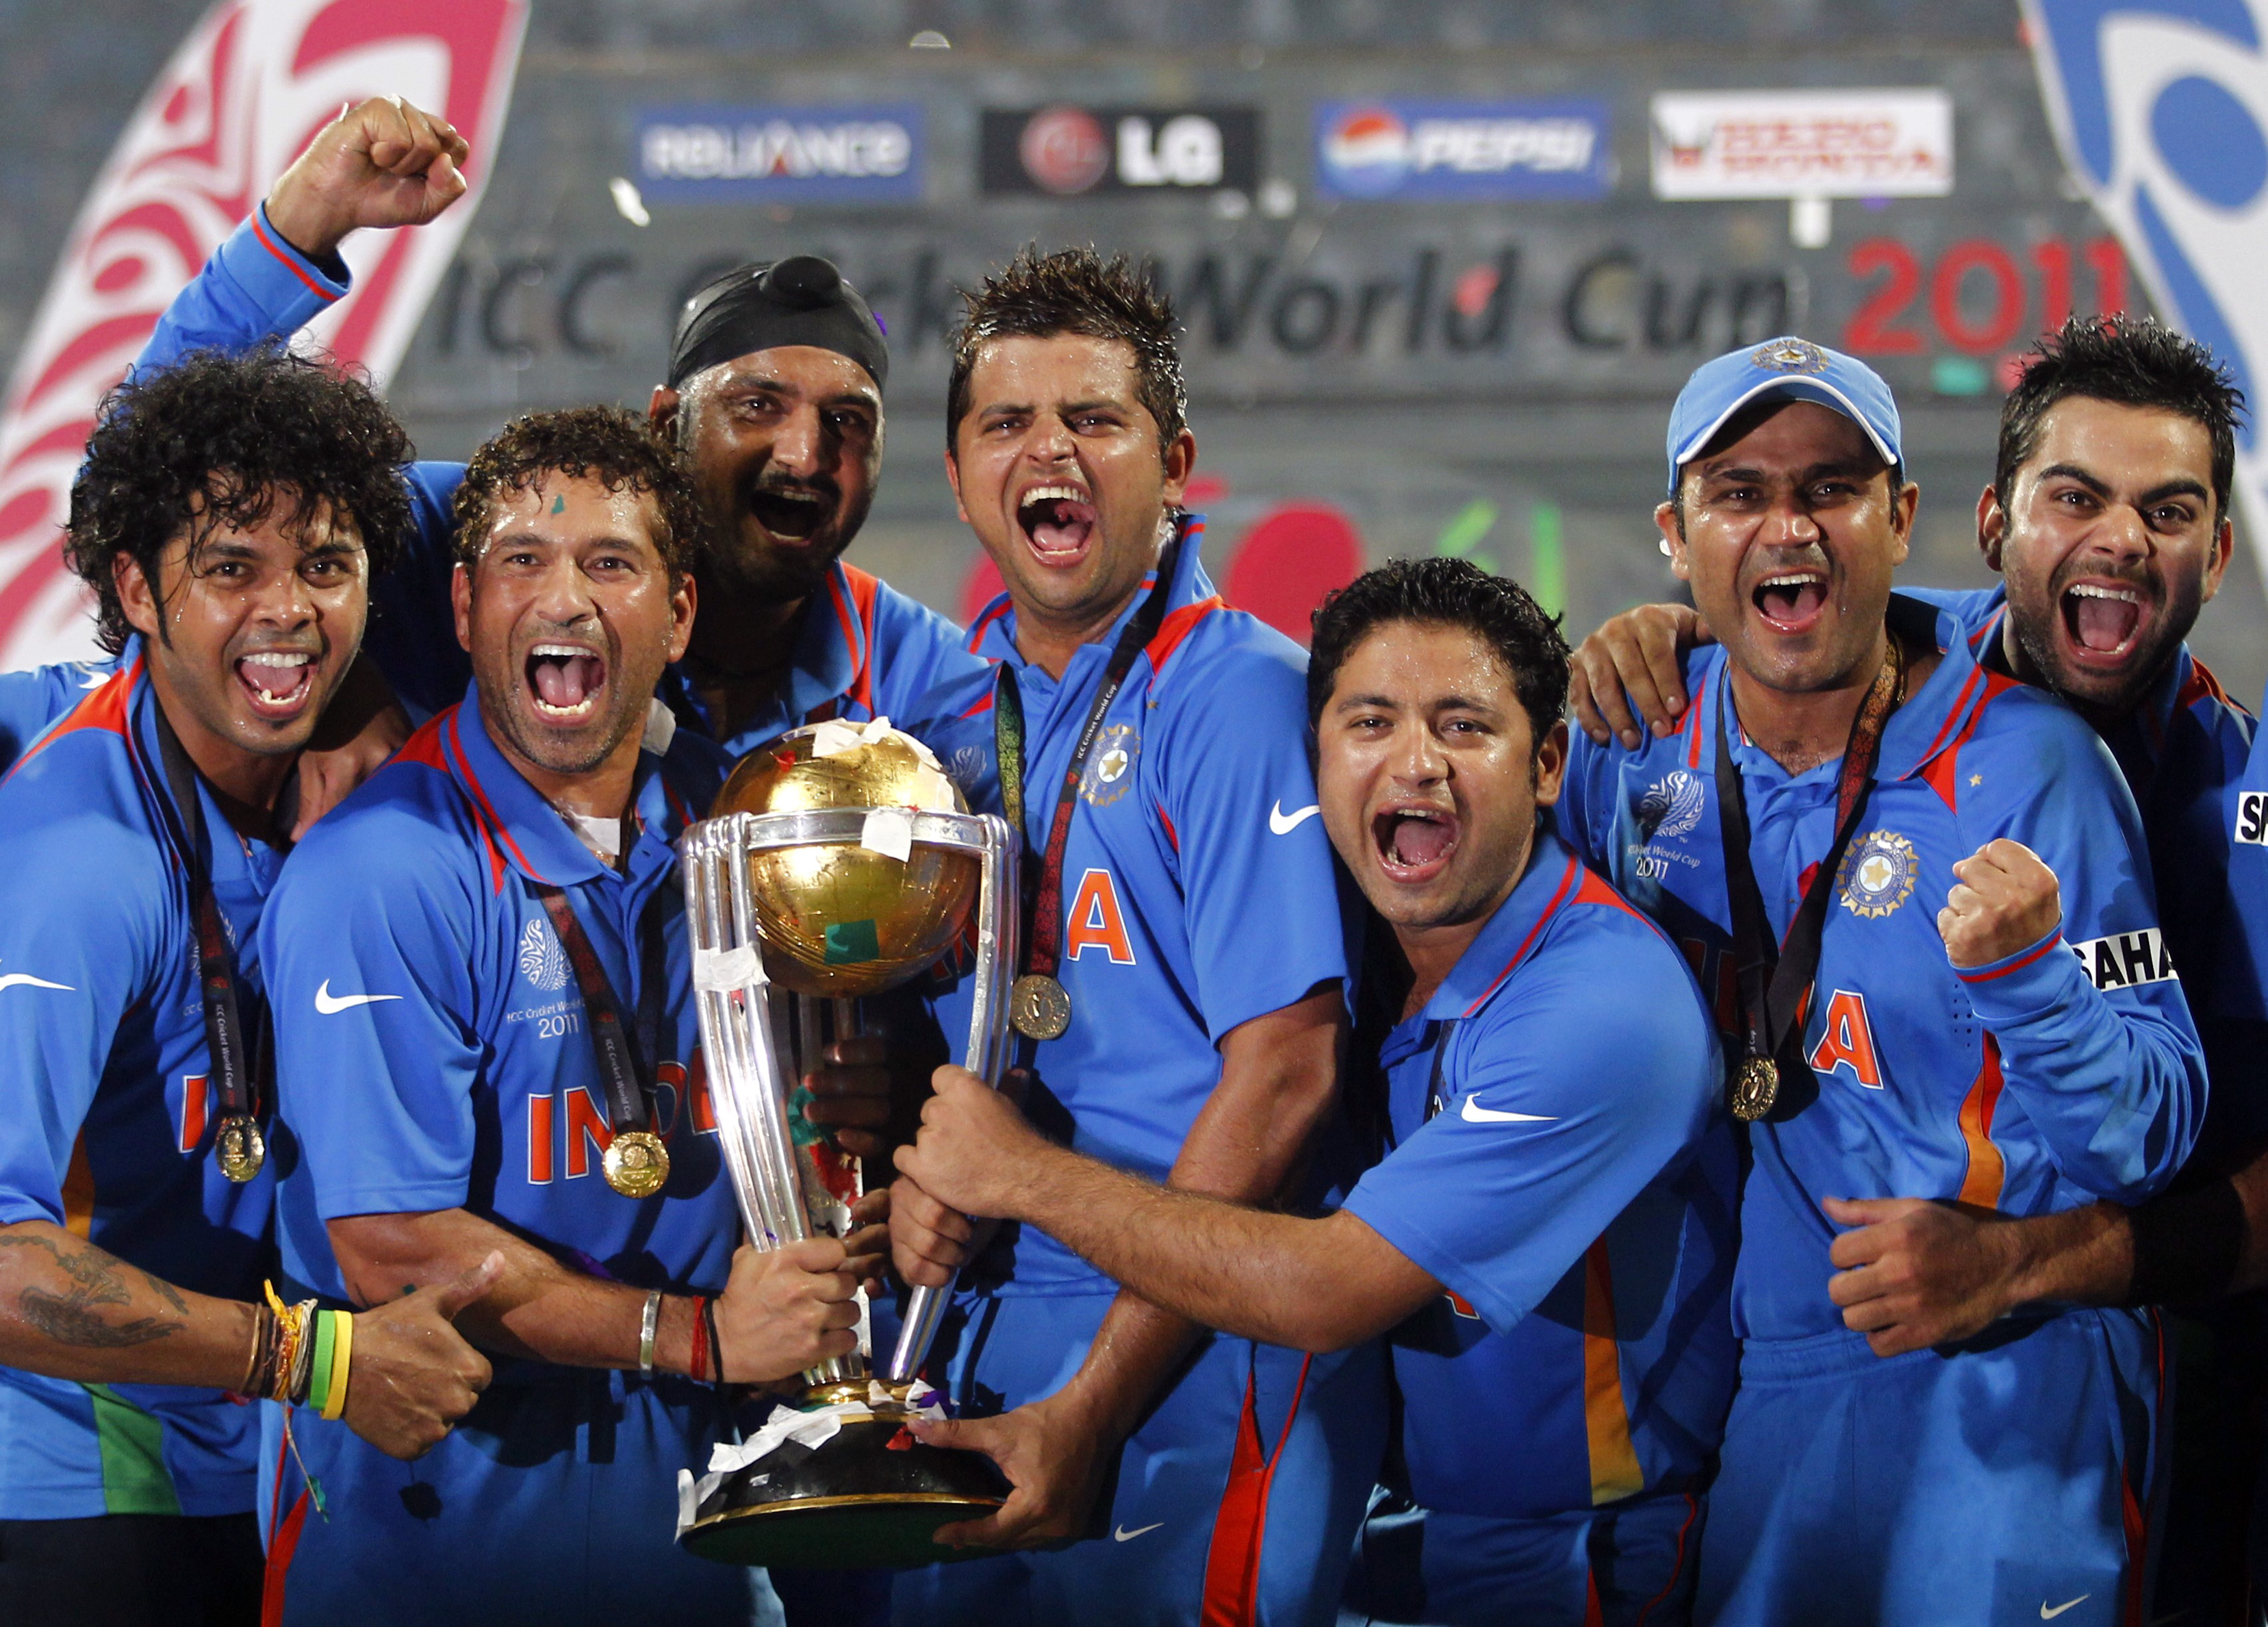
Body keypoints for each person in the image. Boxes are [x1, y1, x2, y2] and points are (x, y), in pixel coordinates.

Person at [1567, 318, 2265, 1614]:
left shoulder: (2096, 771)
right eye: (2076, 497)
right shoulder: (1645, 737)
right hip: (1764, 1386)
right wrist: (1651, 639)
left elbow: (2164, 1141)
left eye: (2166, 511)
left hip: (2046, 1373)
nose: (2115, 541)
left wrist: (2032, 1003)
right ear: (1992, 526)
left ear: (1902, 516)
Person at [891, 557, 1735, 1626]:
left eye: (1466, 727)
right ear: (1317, 759)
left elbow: (1326, 1293)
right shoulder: (1363, 952)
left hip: (1574, 1558)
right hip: (1391, 1539)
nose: (1417, 764)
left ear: (1547, 765)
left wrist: (1016, 1174)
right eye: (1371, 722)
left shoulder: (1606, 1007)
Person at [0, 349, 499, 1627]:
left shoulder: (331, 769)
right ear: (138, 589)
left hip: (284, 1444)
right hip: (98, 1473)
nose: (287, 609)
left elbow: (524, 512)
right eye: (231, 568)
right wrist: (315, 1358)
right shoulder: (71, 862)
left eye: (325, 565)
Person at [253, 405, 876, 1626]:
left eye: (611, 562)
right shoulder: (382, 871)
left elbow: (799, 1119)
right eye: (524, 562)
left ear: (680, 612)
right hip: (434, 1541)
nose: (565, 599)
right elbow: (391, 1245)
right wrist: (692, 1336)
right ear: (462, 609)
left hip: (695, 1533)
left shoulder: (738, 834)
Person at [878, 247, 1383, 1627]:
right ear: (961, 472)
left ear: (1176, 466)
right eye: (1006, 424)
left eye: (1093, 420)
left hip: (1199, 1340)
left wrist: (1096, 1403)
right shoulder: (953, 710)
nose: (1050, 450)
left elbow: (1286, 1070)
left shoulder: (1236, 700)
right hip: (991, 1318)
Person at [142, 94, 984, 758]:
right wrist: (301, 221)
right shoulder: (487, 531)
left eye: (847, 421)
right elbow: (154, 473)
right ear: (666, 423)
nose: (805, 453)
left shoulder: (922, 681)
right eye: (756, 406)